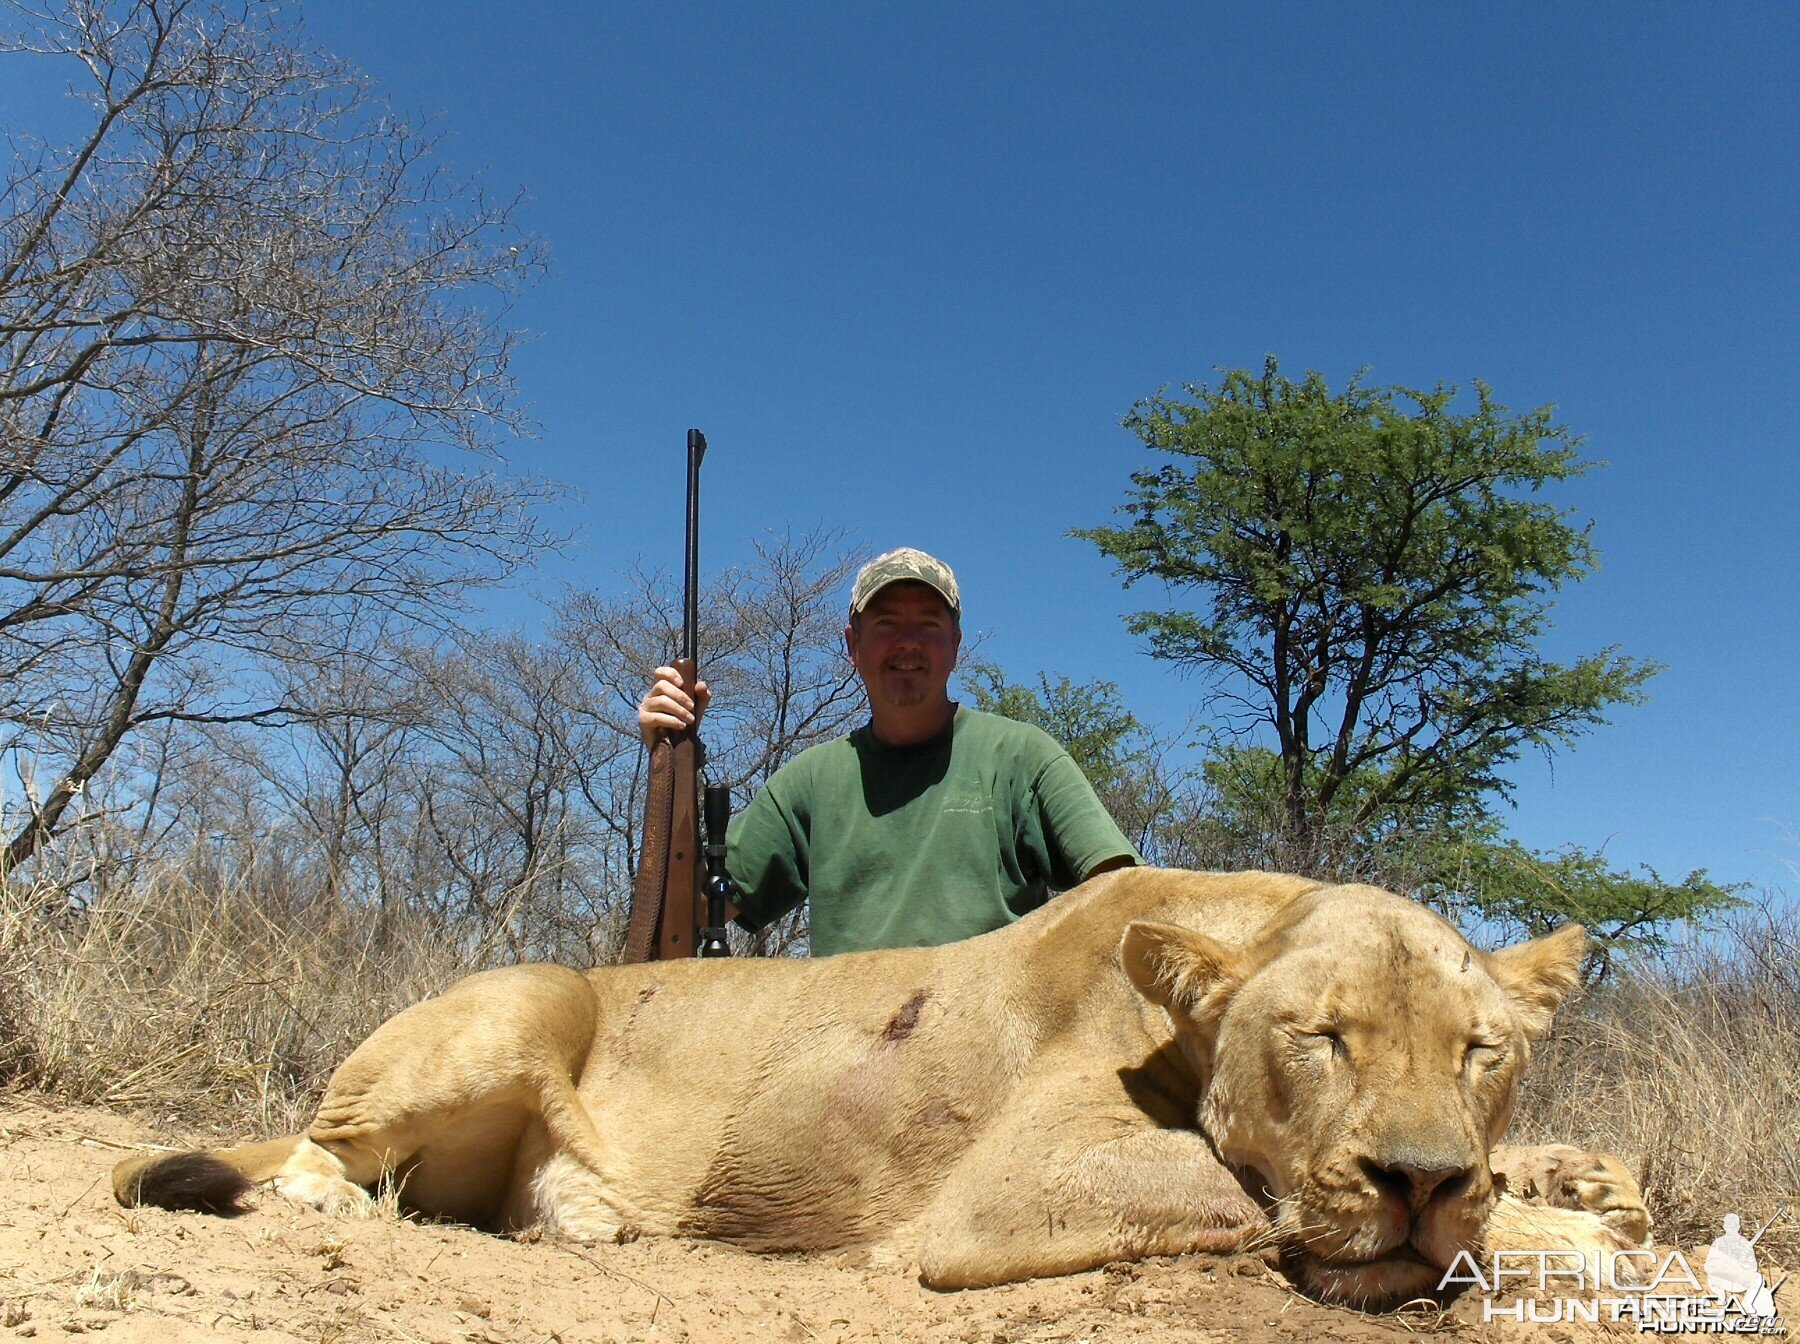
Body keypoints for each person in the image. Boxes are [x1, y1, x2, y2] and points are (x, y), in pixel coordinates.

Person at [638, 548, 1141, 955]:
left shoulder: (1022, 757)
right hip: (846, 1051)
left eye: (928, 623)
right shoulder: (812, 781)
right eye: (885, 625)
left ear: (956, 644)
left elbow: (1127, 897)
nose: (908, 643)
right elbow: (701, 911)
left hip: (991, 1054)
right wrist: (671, 761)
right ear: (852, 645)